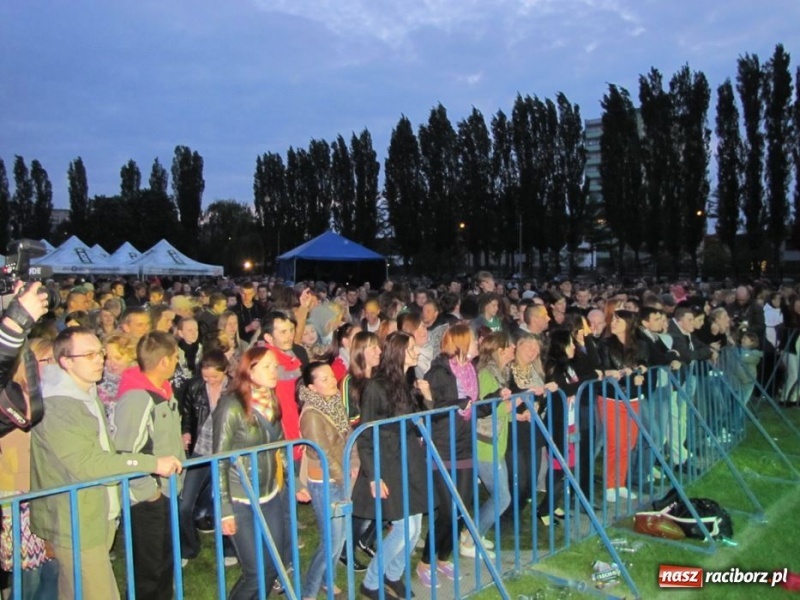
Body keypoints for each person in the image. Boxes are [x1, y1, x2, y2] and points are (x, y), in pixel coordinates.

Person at [29, 326, 182, 600]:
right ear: (66, 361)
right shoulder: (59, 405)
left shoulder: (85, 392)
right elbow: (89, 464)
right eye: (89, 355)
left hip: (94, 513)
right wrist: (150, 463)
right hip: (75, 518)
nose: (100, 359)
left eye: (99, 352)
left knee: (74, 590)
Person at [352, 332, 431, 600]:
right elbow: (365, 434)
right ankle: (372, 582)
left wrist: (426, 397)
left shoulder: (406, 382)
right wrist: (373, 476)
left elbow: (419, 421)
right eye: (411, 349)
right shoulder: (376, 387)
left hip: (409, 459)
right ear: (398, 353)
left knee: (416, 527)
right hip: (388, 462)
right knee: (404, 528)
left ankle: (393, 575)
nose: (417, 353)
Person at [112, 331, 186, 600]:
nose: (177, 362)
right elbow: (125, 451)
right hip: (148, 498)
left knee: (165, 560)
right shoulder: (138, 399)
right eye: (175, 357)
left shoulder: (163, 391)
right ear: (164, 361)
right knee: (149, 568)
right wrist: (149, 492)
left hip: (166, 489)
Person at [213, 346, 289, 599]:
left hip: (269, 495)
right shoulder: (231, 406)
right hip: (241, 498)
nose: (274, 371)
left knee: (274, 565)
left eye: (274, 366)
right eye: (267, 366)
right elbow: (219, 461)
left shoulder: (270, 399)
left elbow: (281, 443)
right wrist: (225, 511)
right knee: (256, 573)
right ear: (249, 370)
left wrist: (294, 480)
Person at [418, 324, 482, 586]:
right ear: (461, 343)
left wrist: (496, 398)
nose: (478, 343)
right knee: (446, 511)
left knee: (463, 510)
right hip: (442, 447)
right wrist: (458, 403)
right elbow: (434, 407)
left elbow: (472, 407)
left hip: (465, 445)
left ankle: (443, 558)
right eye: (474, 340)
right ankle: (425, 561)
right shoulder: (440, 372)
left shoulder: (469, 370)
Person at [0, 338, 58, 600]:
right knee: (28, 579)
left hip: (47, 491)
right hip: (16, 497)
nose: (53, 365)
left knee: (53, 571)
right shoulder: (8, 399)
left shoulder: (53, 396)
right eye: (47, 360)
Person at [298, 362, 356, 600]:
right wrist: (344, 479)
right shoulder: (312, 414)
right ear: (312, 386)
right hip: (325, 482)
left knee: (340, 536)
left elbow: (348, 435)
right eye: (324, 379)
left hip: (341, 476)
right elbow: (322, 453)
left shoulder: (334, 402)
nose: (332, 381)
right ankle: (308, 591)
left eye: (331, 376)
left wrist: (353, 463)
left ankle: (327, 579)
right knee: (331, 540)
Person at [461, 332, 521, 557]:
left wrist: (515, 413)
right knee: (502, 497)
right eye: (509, 344)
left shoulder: (501, 372)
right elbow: (481, 409)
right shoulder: (487, 374)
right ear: (499, 350)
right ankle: (469, 541)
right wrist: (508, 407)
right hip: (484, 446)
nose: (513, 347)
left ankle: (471, 533)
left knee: (500, 495)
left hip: (495, 444)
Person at [178, 350, 230, 563]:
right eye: (205, 376)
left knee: (225, 502)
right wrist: (186, 431)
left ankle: (229, 548)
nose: (209, 380)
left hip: (225, 452)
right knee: (184, 504)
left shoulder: (235, 388)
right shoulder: (195, 386)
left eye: (214, 377)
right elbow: (188, 414)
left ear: (225, 371)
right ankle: (189, 546)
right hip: (200, 450)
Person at [596, 310, 647, 502]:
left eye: (618, 319)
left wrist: (640, 370)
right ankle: (610, 484)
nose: (613, 322)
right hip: (610, 398)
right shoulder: (605, 344)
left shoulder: (640, 344)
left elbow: (644, 362)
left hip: (633, 398)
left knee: (629, 442)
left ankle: (621, 482)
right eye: (613, 319)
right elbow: (603, 367)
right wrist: (615, 372)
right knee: (614, 442)